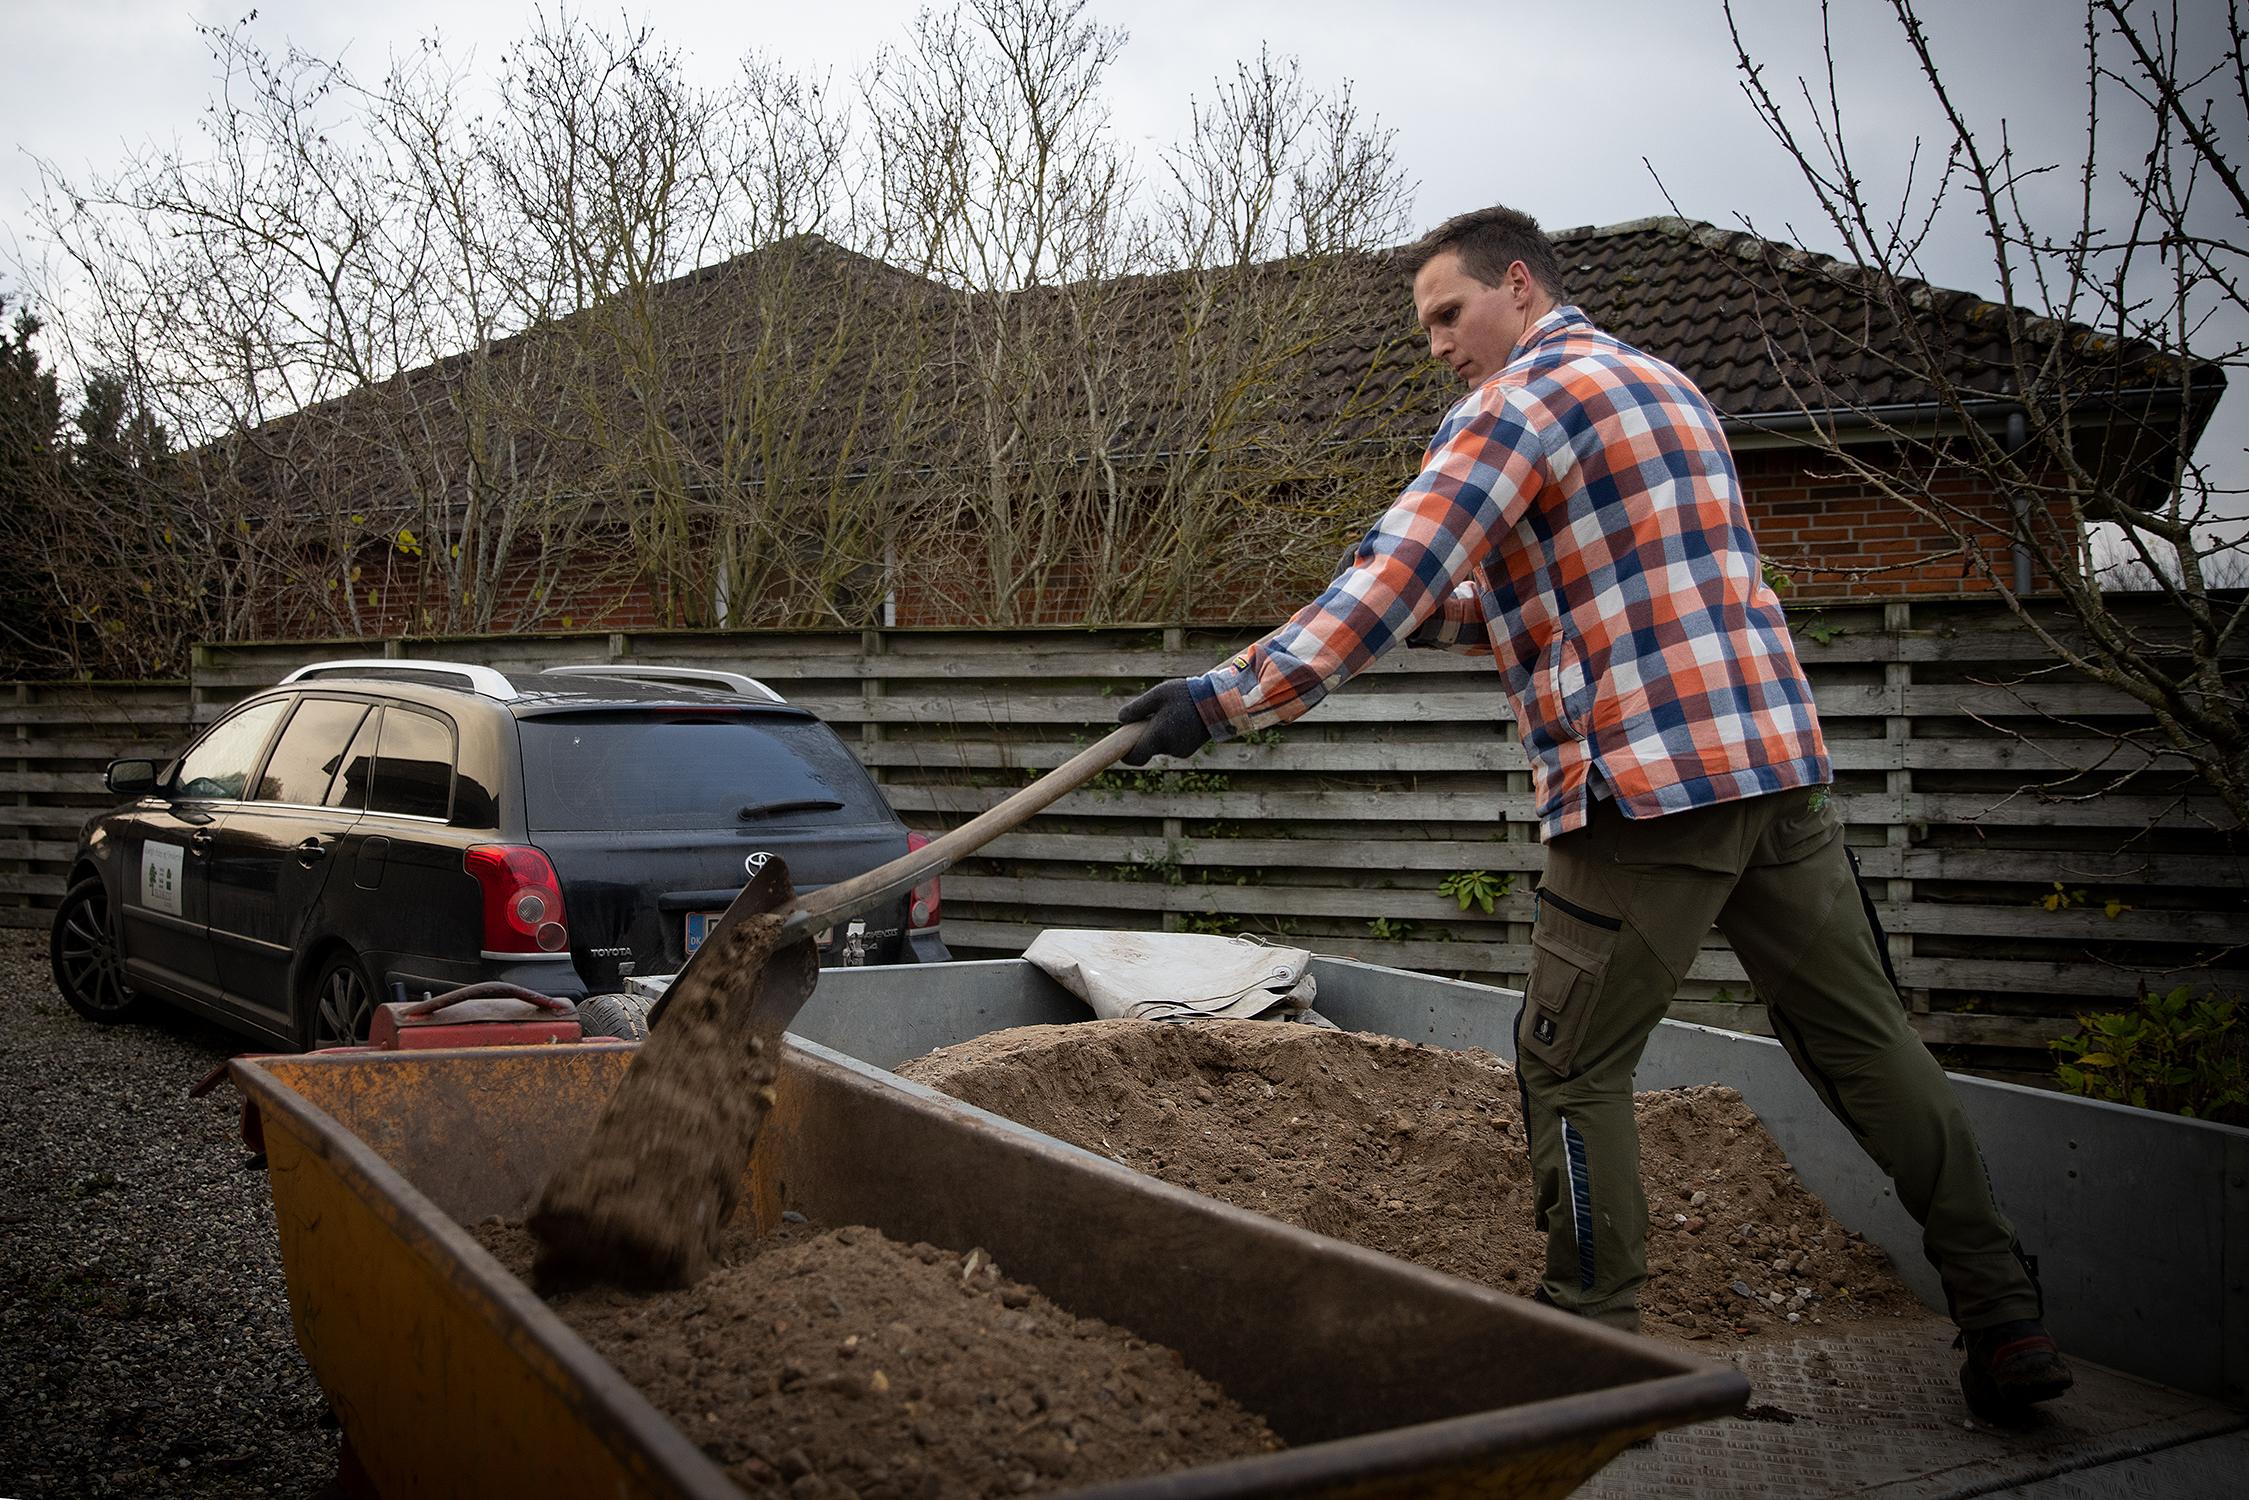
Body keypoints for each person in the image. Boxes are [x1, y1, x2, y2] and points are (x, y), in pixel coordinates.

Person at [1116, 204, 2073, 1422]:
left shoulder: (1515, 403)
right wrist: (1424, 614)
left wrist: (1223, 695)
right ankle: (2003, 1316)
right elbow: (1562, 585)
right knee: (1864, 1042)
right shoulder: (1665, 387)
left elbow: (1398, 569)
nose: (1437, 347)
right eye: (1424, 330)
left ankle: (1586, 1347)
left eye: (1447, 315)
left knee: (1565, 1063)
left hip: (1644, 791)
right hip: (1775, 767)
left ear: (1516, 286)